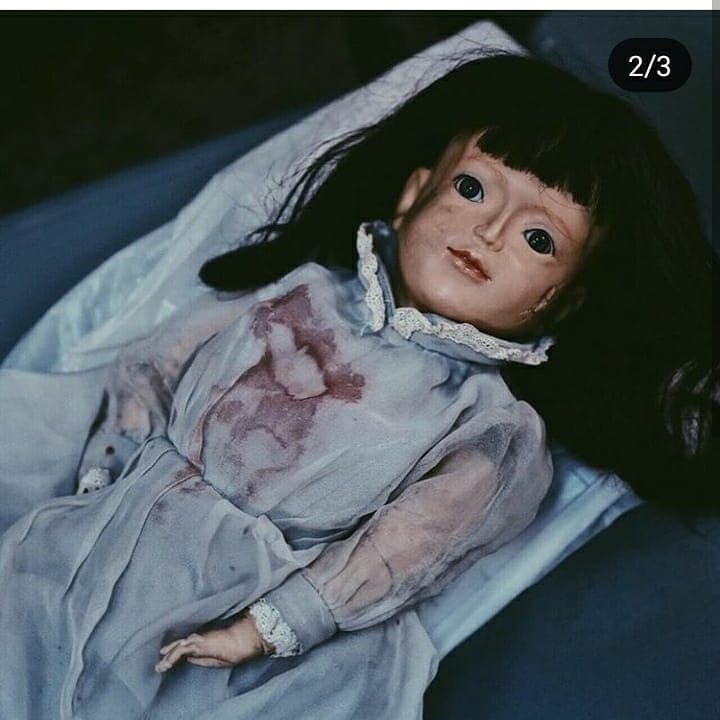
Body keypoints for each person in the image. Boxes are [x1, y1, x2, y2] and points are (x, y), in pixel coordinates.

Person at [0, 52, 716, 719]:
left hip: (232, 594)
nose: (491, 232)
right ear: (411, 195)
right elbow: (161, 362)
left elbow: (406, 547)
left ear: (560, 302)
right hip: (113, 512)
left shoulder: (489, 426)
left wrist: (268, 626)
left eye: (539, 238)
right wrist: (110, 460)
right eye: (472, 189)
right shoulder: (304, 288)